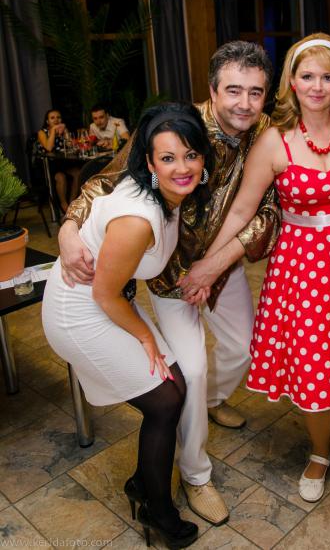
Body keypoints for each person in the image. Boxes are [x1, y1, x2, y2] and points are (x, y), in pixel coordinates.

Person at [181, 33, 330, 504]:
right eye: (307, 76)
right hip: (301, 268)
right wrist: (209, 259)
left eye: (327, 77)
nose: (317, 86)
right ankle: (318, 453)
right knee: (314, 363)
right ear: (291, 82)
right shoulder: (273, 140)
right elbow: (243, 210)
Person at [57, 41, 279, 526]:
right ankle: (196, 475)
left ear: (267, 95)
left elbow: (269, 212)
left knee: (243, 348)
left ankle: (212, 402)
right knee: (191, 371)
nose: (244, 103)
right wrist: (68, 228)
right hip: (167, 274)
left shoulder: (268, 135)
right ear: (212, 89)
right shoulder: (174, 127)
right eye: (234, 90)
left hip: (222, 265)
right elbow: (103, 181)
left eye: (256, 92)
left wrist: (214, 266)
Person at [42, 102, 213, 549]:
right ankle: (157, 510)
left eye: (191, 155)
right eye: (168, 158)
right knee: (164, 402)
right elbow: (103, 294)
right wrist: (144, 335)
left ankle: (143, 482)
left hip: (108, 301)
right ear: (150, 163)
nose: (182, 168)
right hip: (80, 312)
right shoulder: (138, 218)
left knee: (176, 385)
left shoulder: (167, 195)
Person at [37, 108, 81, 213]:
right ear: (47, 121)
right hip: (48, 164)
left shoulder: (63, 130)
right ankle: (64, 204)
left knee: (78, 173)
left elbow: (71, 146)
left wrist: (65, 132)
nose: (56, 120)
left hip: (62, 162)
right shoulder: (42, 132)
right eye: (52, 118)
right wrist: (53, 131)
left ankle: (71, 203)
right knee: (61, 177)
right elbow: (49, 147)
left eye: (58, 117)